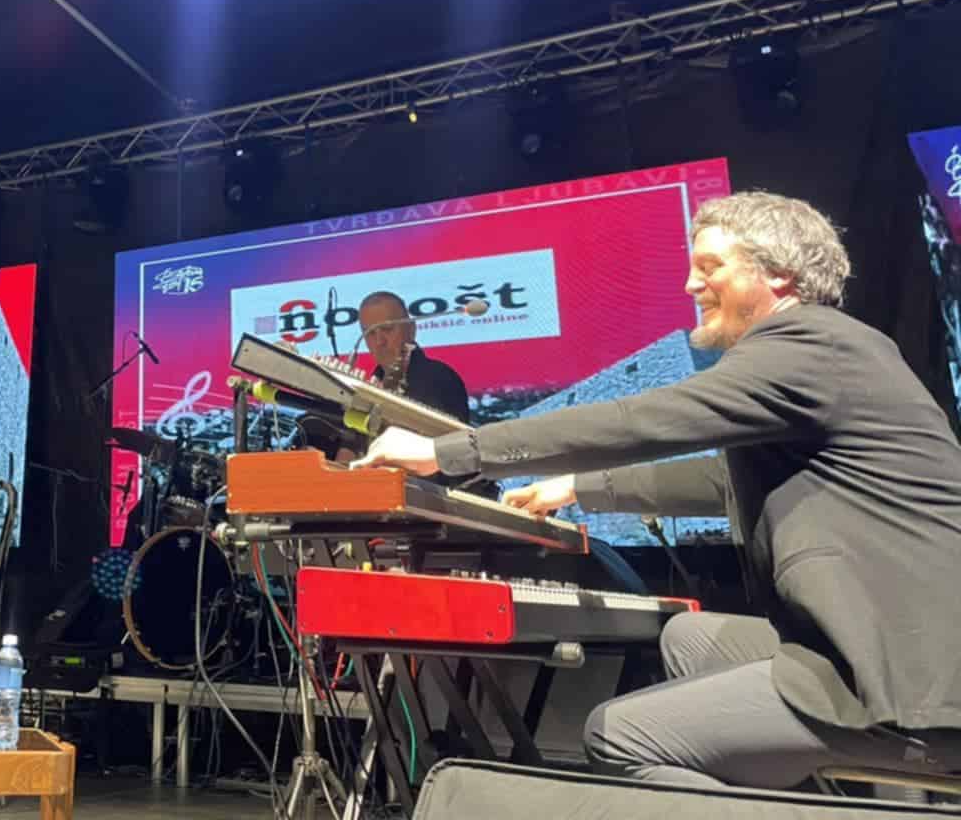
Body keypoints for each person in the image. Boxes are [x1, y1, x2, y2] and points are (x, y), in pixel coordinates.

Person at [355, 191, 961, 789]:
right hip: (888, 646)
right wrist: (576, 488)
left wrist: (446, 453)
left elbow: (640, 420)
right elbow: (716, 479)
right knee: (688, 638)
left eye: (711, 267)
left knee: (618, 734)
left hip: (907, 679)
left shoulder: (806, 348)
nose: (692, 286)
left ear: (778, 274)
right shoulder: (833, 349)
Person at [357, 290, 472, 421]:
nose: (379, 341)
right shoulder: (366, 387)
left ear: (411, 329)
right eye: (370, 333)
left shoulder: (439, 378)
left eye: (387, 329)